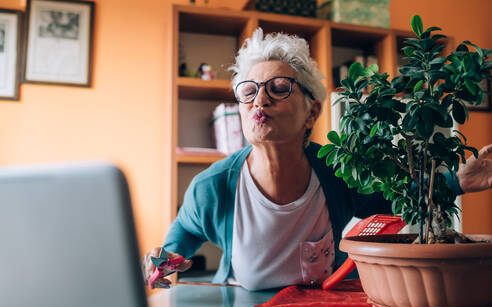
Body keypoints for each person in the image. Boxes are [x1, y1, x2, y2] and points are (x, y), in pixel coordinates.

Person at [142, 28, 492, 291]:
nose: (259, 101)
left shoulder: (341, 173)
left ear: (312, 112)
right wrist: (162, 265)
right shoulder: (213, 187)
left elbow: (402, 195)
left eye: (278, 88)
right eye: (248, 91)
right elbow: (179, 242)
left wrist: (457, 180)